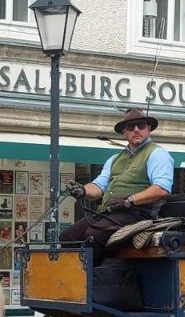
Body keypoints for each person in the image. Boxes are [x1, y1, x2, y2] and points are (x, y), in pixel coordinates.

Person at [61, 107, 173, 266]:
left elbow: (162, 188)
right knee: (68, 237)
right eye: (130, 127)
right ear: (124, 132)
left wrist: (131, 200)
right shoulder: (114, 159)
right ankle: (74, 280)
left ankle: (95, 281)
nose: (136, 130)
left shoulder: (157, 154)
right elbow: (99, 187)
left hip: (137, 213)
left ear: (148, 129)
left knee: (93, 235)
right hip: (109, 213)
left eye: (140, 126)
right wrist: (83, 190)